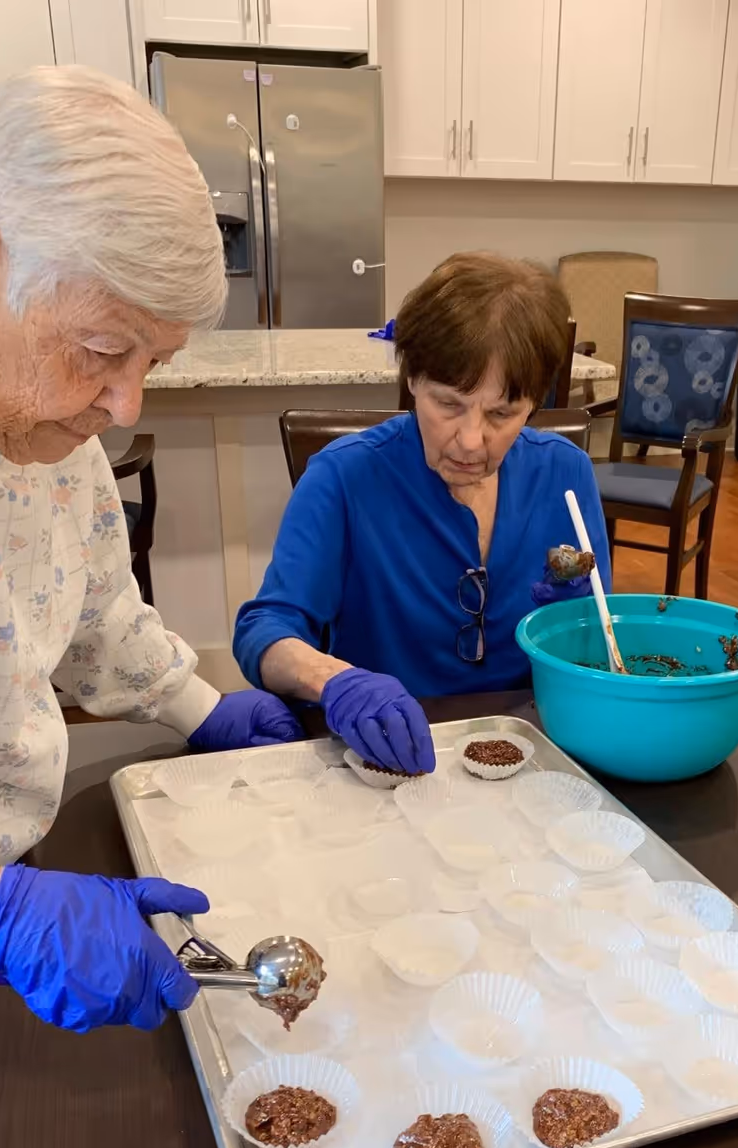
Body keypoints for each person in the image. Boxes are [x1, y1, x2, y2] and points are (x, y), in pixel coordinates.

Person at [0, 63, 308, 1148]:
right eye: (106, 352)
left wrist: (205, 708)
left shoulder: (28, 395)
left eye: (151, 363)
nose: (126, 408)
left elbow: (92, 608)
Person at [233, 252, 611, 776]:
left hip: (533, 755)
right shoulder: (344, 479)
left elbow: (598, 636)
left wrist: (574, 622)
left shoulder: (565, 475)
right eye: (448, 404)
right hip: (388, 759)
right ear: (412, 379)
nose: (472, 440)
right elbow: (265, 631)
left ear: (533, 405)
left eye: (503, 413)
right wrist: (332, 679)